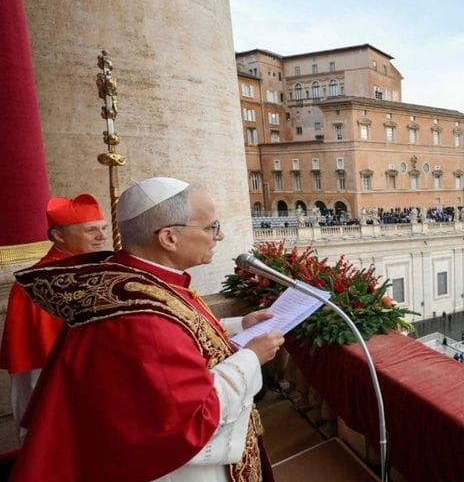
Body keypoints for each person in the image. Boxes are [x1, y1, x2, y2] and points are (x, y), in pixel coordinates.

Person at [10, 178, 285, 481]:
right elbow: (191, 417)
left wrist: (238, 326)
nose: (219, 236)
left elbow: (178, 333)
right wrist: (251, 358)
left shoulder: (138, 282)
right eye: (210, 227)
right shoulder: (140, 315)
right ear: (169, 238)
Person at [0, 194, 107, 431]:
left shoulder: (97, 267)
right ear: (58, 236)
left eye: (104, 228)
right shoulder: (36, 281)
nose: (103, 237)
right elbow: (38, 361)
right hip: (53, 380)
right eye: (92, 231)